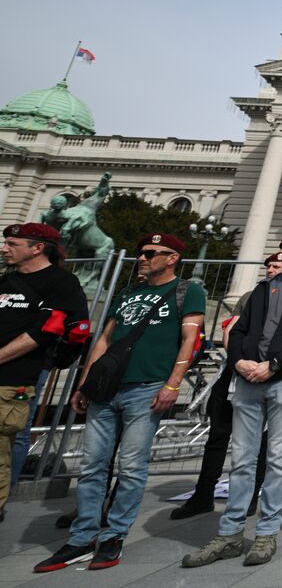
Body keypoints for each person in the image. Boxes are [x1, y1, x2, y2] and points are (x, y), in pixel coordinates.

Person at [35, 234, 205, 572]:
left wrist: (173, 384)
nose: (142, 258)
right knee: (92, 466)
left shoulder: (188, 291)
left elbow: (190, 339)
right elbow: (104, 340)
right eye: (140, 252)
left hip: (147, 388)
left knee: (131, 466)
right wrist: (85, 383)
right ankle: (82, 537)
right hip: (106, 388)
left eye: (150, 253)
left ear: (172, 258)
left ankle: (114, 535)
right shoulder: (128, 292)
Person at [183, 227, 282, 567]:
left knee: (277, 459)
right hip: (249, 376)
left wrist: (275, 364)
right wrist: (238, 361)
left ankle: (267, 533)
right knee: (242, 458)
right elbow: (238, 329)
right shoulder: (264, 288)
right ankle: (230, 533)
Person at [171, 253, 278, 521]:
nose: (270, 270)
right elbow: (231, 329)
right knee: (218, 435)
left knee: (260, 441)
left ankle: (250, 495)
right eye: (268, 266)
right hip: (235, 373)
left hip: (267, 375)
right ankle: (203, 493)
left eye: (276, 266)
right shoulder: (250, 297)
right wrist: (237, 360)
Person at [0, 223, 89, 524]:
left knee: (9, 441)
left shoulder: (61, 282)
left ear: (37, 248)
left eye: (13, 244)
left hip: (17, 377)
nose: (4, 248)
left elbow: (45, 331)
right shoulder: (7, 279)